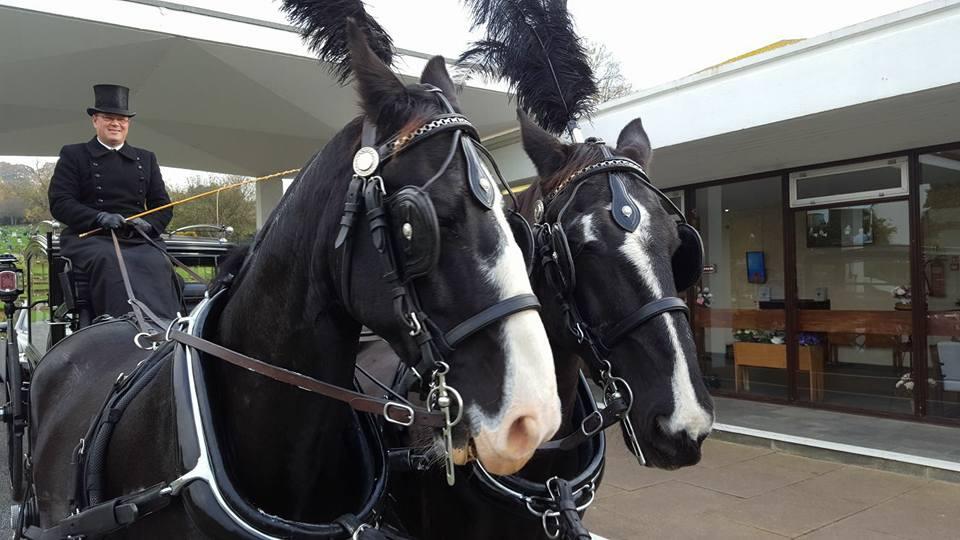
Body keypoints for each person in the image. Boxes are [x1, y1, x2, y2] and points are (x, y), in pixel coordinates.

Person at [48, 84, 181, 321]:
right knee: (110, 260)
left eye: (122, 119)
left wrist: (148, 224)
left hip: (136, 237)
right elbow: (60, 202)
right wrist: (98, 217)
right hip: (91, 237)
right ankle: (119, 327)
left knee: (158, 260)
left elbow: (163, 205)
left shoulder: (146, 158)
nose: (116, 124)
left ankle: (165, 327)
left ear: (128, 124)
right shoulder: (73, 154)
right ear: (95, 120)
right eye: (109, 118)